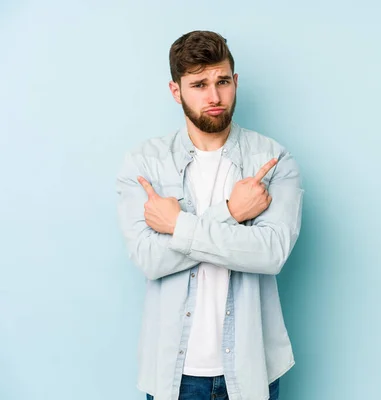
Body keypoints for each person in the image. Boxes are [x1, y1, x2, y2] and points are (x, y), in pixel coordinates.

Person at [115, 30, 304, 400]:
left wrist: (177, 226)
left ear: (235, 82)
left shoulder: (273, 159)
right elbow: (150, 259)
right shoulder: (144, 163)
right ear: (176, 91)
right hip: (173, 374)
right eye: (199, 84)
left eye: (221, 82)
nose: (214, 97)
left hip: (252, 371)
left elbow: (271, 253)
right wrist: (232, 212)